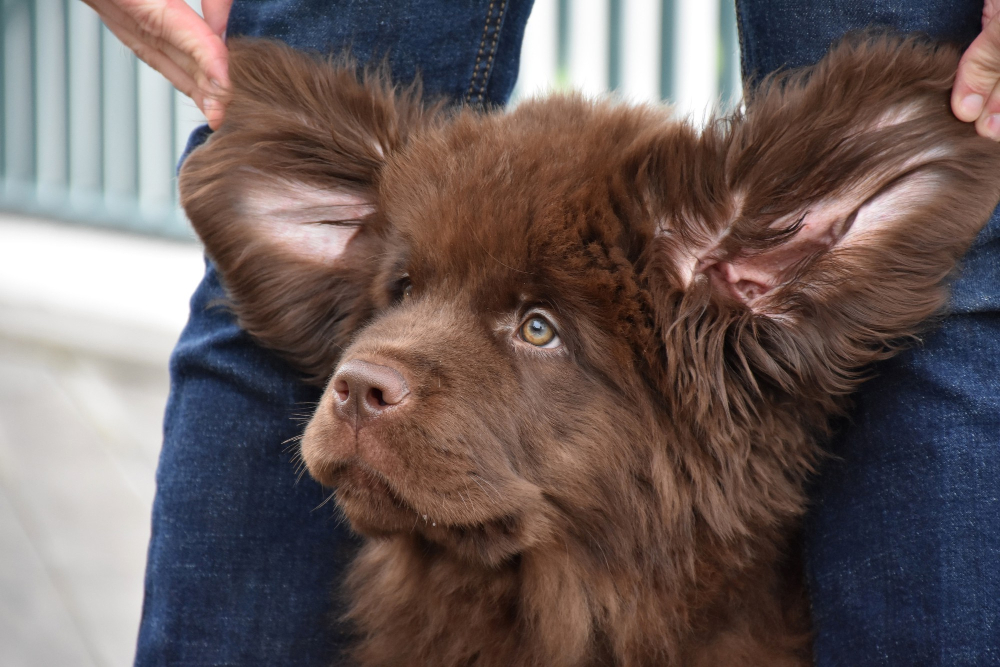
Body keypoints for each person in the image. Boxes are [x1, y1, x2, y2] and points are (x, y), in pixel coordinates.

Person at [81, 0, 1000, 663]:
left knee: (948, 267)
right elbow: (252, 160)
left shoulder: (728, 288)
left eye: (534, 326)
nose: (371, 366)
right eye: (403, 288)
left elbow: (934, 149)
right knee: (257, 327)